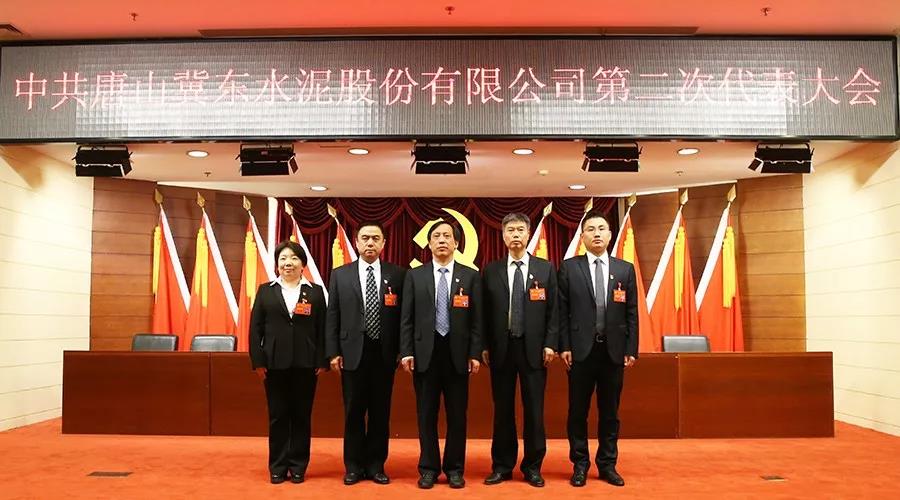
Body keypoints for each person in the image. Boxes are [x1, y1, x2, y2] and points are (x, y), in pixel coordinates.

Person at [399, 221, 483, 489]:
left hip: (458, 355)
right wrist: (406, 351)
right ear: (429, 243)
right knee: (426, 415)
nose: (442, 240)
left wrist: (474, 353)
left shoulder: (470, 276)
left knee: (457, 416)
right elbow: (406, 318)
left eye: (447, 236)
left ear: (457, 243)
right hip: (425, 354)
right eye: (436, 236)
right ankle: (428, 468)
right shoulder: (415, 275)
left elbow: (477, 320)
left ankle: (455, 468)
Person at [558, 210, 638, 488]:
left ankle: (607, 464)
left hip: (613, 352)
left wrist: (631, 348)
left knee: (610, 413)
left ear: (610, 234)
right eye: (590, 229)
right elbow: (561, 311)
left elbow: (631, 312)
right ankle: (580, 464)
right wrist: (564, 345)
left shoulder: (624, 269)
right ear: (582, 237)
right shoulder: (569, 268)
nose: (597, 234)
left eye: (601, 229)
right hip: (580, 352)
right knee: (577, 412)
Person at [326, 221, 406, 485]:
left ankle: (376, 466)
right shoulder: (340, 275)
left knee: (381, 413)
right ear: (356, 242)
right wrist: (333, 351)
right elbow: (333, 315)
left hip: (384, 354)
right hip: (351, 353)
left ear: (383, 243)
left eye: (375, 238)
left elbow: (404, 317)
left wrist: (402, 350)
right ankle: (353, 466)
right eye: (365, 238)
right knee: (353, 412)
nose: (370, 243)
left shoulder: (397, 275)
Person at [481, 213, 558, 488]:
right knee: (502, 411)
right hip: (501, 350)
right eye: (510, 230)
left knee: (534, 411)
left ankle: (533, 467)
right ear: (503, 236)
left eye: (520, 230)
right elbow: (483, 313)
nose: (515, 234)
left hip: (534, 350)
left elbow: (554, 311)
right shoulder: (491, 270)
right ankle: (502, 466)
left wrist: (550, 343)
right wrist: (483, 346)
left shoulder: (545, 269)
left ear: (528, 235)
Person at [249, 240, 328, 484]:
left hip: (306, 363)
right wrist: (258, 361)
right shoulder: (266, 291)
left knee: (302, 416)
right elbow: (255, 329)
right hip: (274, 364)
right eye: (283, 258)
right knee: (278, 416)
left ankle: (298, 466)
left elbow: (322, 329)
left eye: (293, 258)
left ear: (302, 264)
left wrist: (322, 359)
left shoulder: (315, 292)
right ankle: (278, 466)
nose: (288, 263)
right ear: (277, 264)